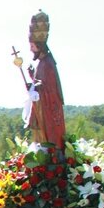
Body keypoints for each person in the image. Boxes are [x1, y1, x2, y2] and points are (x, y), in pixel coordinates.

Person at [26, 11, 66, 149]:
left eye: (32, 46)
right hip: (40, 109)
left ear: (39, 46)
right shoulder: (42, 63)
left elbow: (49, 88)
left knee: (49, 138)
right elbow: (42, 83)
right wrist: (32, 81)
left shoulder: (47, 63)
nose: (31, 50)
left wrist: (36, 87)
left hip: (48, 110)